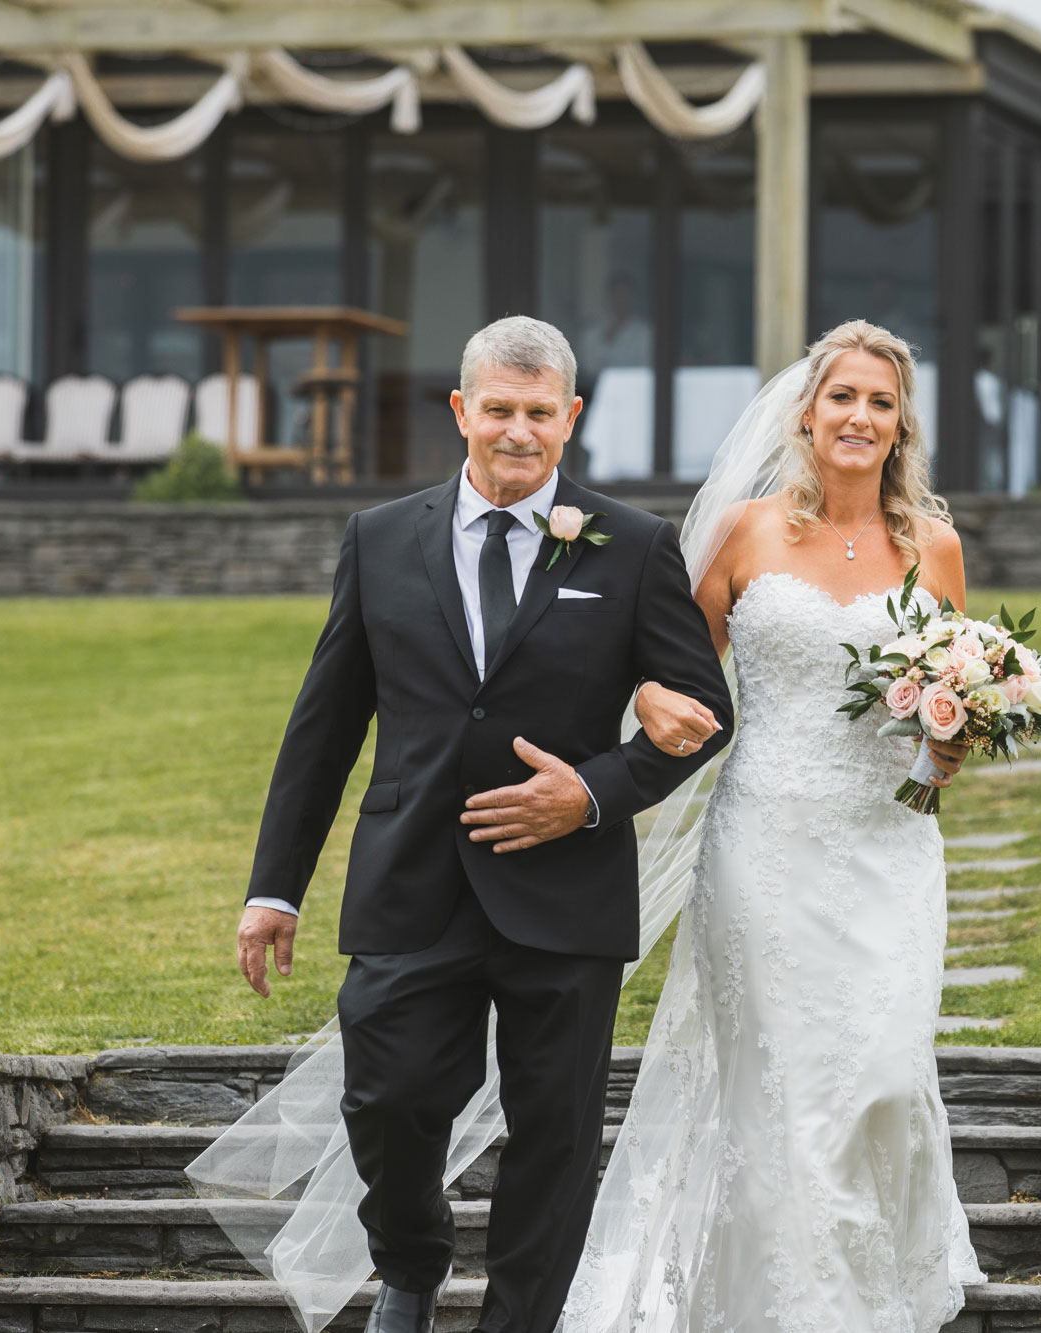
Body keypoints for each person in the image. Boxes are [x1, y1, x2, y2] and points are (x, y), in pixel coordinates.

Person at [217, 315, 733, 1333]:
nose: (516, 432)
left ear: (569, 417)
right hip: (411, 881)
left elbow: (700, 714)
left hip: (566, 892)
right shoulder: (378, 539)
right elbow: (323, 727)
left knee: (554, 1132)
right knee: (387, 1098)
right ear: (461, 411)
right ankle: (409, 1263)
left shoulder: (630, 547)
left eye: (539, 413)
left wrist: (590, 791)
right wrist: (274, 886)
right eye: (497, 409)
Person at [561, 318, 983, 1332]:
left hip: (889, 845)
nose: (858, 416)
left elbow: (944, 717)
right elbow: (669, 666)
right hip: (765, 848)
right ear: (805, 412)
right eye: (842, 396)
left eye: (879, 402)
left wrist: (942, 757)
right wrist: (642, 718)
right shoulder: (746, 532)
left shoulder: (933, 546)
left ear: (899, 427)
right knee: (784, 1098)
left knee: (883, 1078)